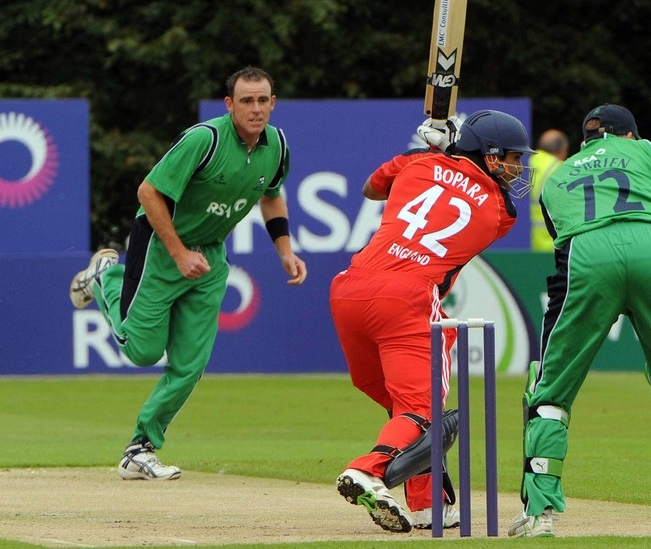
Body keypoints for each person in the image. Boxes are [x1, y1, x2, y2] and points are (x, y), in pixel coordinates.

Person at [69, 66, 307, 480]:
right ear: (230, 105)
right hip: (162, 248)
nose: (256, 108)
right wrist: (178, 253)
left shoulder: (278, 145)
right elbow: (148, 192)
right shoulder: (205, 139)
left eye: (263, 100)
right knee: (141, 351)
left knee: (190, 365)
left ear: (274, 102)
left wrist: (284, 250)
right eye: (246, 100)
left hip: (210, 258)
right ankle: (105, 276)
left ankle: (139, 449)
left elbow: (271, 195)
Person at [509, 104, 651, 538]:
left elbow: (562, 239)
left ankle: (539, 514)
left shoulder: (558, 173)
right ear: (629, 134)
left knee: (552, 388)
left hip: (587, 256)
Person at [330, 110, 535, 533]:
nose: (518, 169)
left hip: (349, 288)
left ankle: (429, 504)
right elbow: (463, 193)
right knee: (424, 411)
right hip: (406, 298)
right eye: (512, 159)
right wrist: (444, 153)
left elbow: (372, 189)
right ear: (490, 157)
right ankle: (369, 471)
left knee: (403, 407)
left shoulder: (417, 164)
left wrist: (427, 151)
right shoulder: (501, 212)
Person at [530, 128, 570, 251]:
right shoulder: (561, 170)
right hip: (551, 247)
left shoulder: (525, 163)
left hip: (522, 243)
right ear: (562, 150)